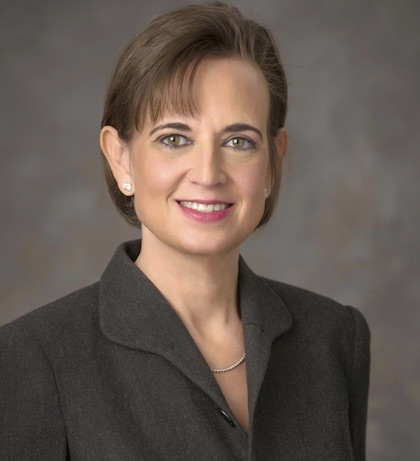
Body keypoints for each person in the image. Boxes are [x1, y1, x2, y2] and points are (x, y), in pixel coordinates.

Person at [0, 2, 370, 460]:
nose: (208, 173)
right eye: (174, 138)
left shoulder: (335, 338)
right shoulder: (32, 358)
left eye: (239, 141)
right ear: (121, 158)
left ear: (274, 160)